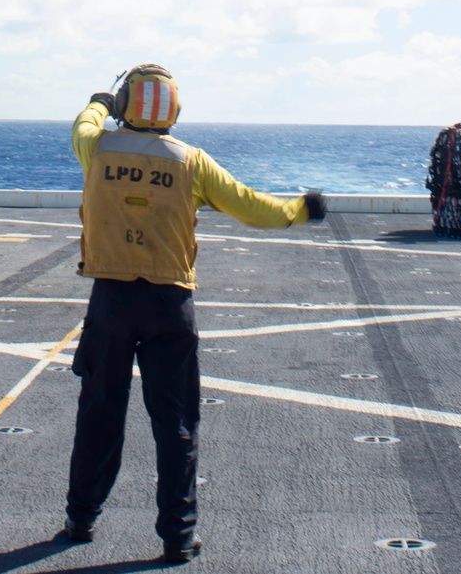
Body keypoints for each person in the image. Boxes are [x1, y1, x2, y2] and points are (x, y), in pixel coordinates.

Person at [61, 64, 326, 565]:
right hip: (169, 305)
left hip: (112, 300)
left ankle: (81, 518)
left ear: (125, 105)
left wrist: (99, 103)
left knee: (99, 411)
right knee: (176, 422)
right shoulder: (191, 162)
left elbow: (83, 124)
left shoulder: (97, 150)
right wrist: (300, 210)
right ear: (173, 109)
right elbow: (251, 206)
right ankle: (178, 537)